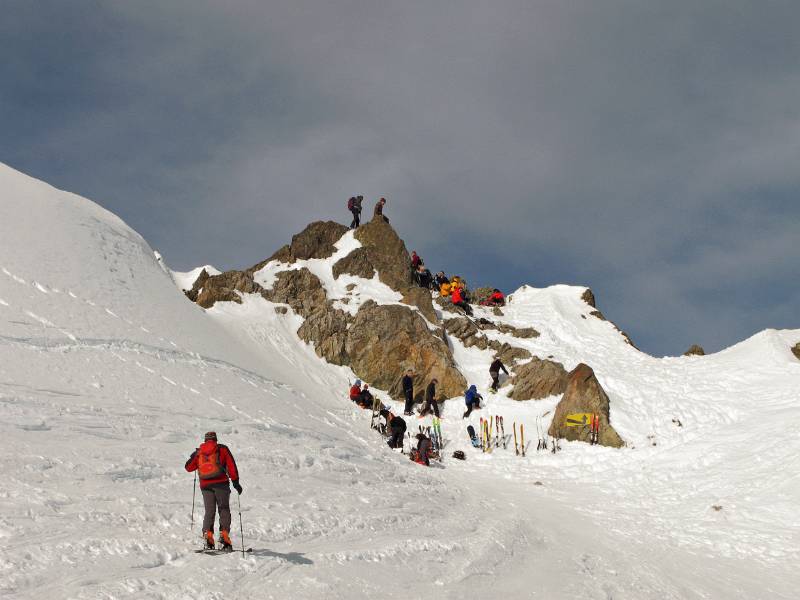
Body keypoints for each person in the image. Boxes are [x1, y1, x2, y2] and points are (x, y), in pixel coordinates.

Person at [185, 432, 242, 551]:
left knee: (209, 511)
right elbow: (231, 465)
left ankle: (208, 538)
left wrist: (193, 456)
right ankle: (224, 538)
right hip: (221, 484)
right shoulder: (222, 449)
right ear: (215, 439)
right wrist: (235, 482)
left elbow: (188, 467)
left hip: (205, 485)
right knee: (224, 509)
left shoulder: (199, 452)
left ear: (205, 440)